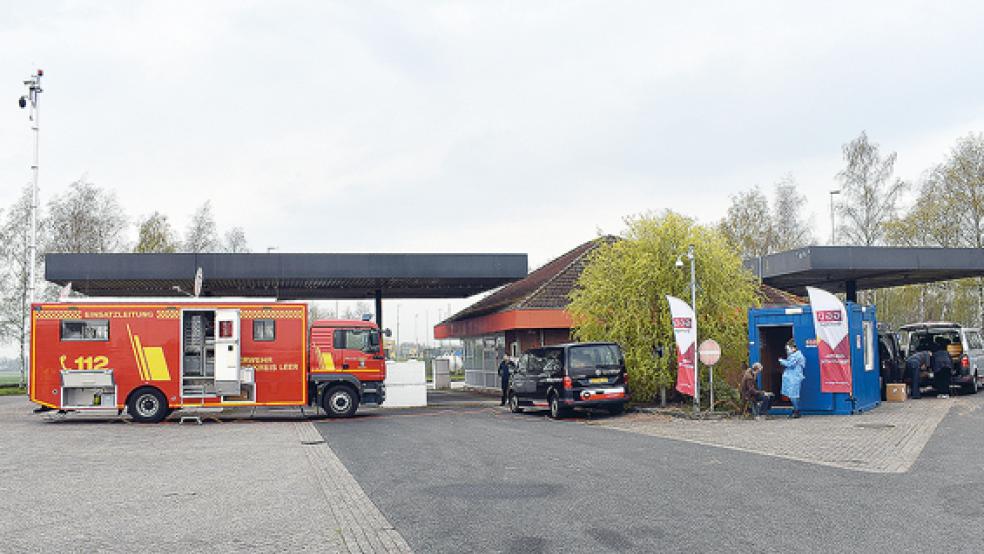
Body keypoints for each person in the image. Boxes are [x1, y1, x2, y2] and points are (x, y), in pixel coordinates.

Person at [779, 339, 806, 418]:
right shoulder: (796, 355)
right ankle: (795, 410)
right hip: (793, 377)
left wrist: (781, 361)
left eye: (788, 349)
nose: (787, 351)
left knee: (793, 395)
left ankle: (796, 411)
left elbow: (790, 364)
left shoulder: (797, 356)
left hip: (794, 378)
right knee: (794, 395)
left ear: (793, 348)